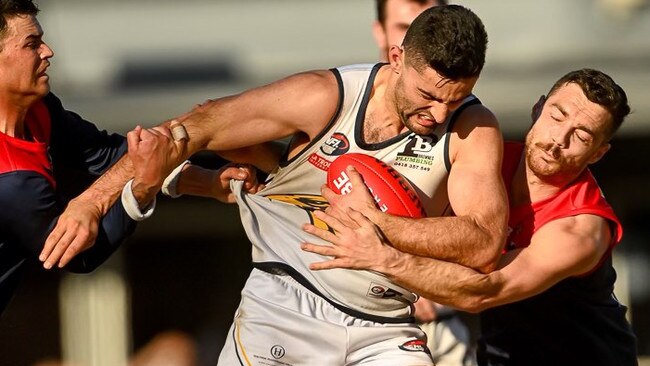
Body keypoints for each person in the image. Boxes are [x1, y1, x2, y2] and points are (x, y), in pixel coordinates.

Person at [45, 5, 507, 365]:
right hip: (286, 306)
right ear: (396, 57)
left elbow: (484, 241)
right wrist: (91, 201)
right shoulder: (325, 97)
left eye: (457, 98)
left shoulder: (474, 127)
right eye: (429, 96)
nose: (442, 115)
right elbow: (192, 128)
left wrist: (378, 228)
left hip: (387, 324)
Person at [300, 68, 638, 365]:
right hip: (500, 353)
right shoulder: (486, 163)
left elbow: (484, 291)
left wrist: (383, 256)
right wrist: (264, 164)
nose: (557, 140)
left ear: (598, 153)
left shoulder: (581, 228)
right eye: (557, 115)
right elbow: (390, 176)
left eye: (581, 137)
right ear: (538, 108)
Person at [0, 0, 142, 316]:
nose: (47, 52)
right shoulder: (11, 180)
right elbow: (80, 254)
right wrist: (141, 189)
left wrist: (203, 179)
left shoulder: (39, 110)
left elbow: (109, 155)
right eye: (32, 44)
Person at [374, 1, 477, 364]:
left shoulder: (466, 122)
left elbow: (481, 235)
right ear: (391, 45)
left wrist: (425, 277)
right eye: (405, 26)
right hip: (345, 318)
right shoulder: (342, 104)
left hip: (437, 322)